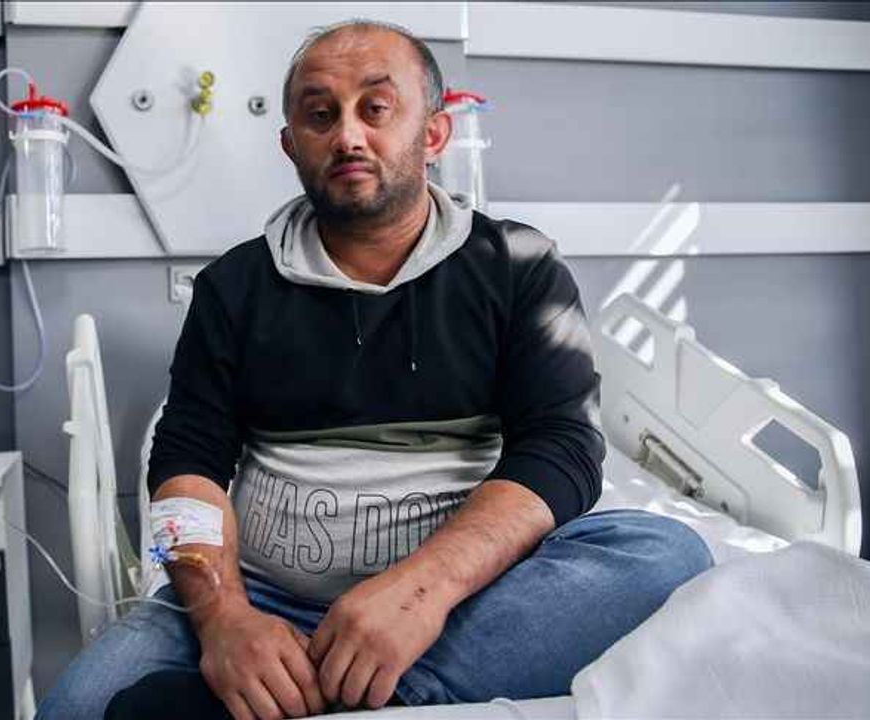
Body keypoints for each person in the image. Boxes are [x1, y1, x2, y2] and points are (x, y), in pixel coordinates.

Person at [37, 19, 712, 720]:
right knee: (78, 709)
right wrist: (224, 620)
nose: (348, 136)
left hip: (463, 600)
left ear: (435, 133)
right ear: (290, 145)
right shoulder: (234, 289)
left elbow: (562, 449)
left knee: (666, 555)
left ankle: (347, 695)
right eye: (320, 115)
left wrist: (420, 592)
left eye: (377, 108)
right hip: (264, 597)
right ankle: (354, 691)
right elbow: (186, 463)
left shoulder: (517, 268)